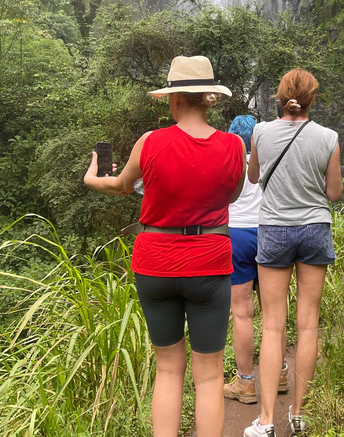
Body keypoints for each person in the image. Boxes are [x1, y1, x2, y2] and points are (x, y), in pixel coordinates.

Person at [83, 55, 246, 437]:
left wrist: (93, 177)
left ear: (173, 100)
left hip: (155, 264)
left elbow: (122, 184)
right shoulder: (234, 146)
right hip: (209, 264)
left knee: (169, 370)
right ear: (209, 99)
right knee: (208, 377)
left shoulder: (151, 142)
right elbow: (232, 194)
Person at [244, 68, 343, 437]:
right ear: (312, 98)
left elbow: (253, 177)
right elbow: (334, 193)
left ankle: (267, 420)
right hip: (316, 228)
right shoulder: (329, 138)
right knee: (308, 323)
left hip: (273, 228)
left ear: (280, 96)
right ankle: (298, 414)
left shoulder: (260, 132)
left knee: (272, 325)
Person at [223, 115, 288, 405]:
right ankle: (282, 374)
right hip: (268, 230)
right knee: (273, 312)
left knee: (242, 313)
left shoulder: (228, 161)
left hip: (236, 235)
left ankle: (246, 383)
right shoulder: (270, 157)